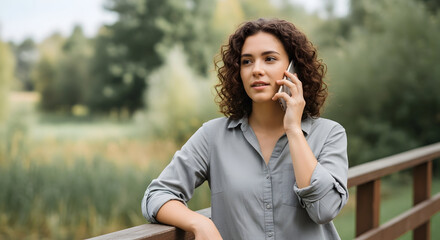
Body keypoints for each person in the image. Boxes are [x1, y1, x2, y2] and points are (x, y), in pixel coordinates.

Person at [142, 18, 348, 240]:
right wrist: (200, 223)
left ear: (294, 67)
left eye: (269, 59)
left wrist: (294, 130)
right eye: (247, 61)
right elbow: (156, 195)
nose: (256, 70)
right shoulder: (212, 136)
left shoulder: (329, 134)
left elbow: (325, 210)